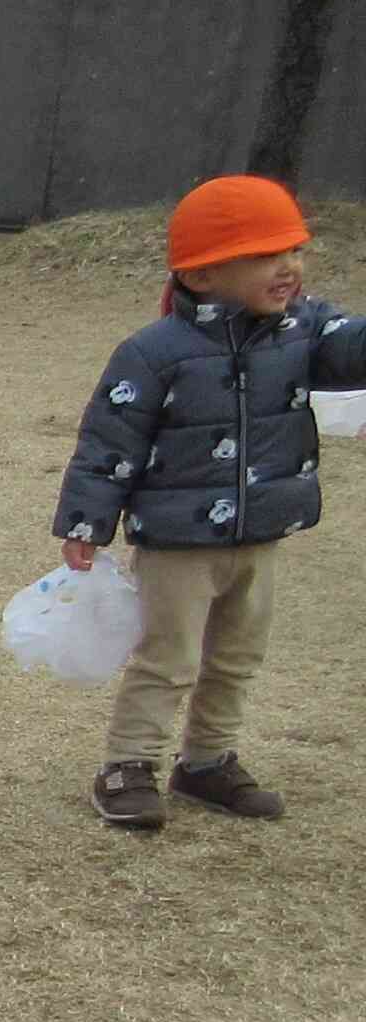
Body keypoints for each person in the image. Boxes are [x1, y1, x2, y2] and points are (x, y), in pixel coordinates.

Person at [54, 175, 366, 829]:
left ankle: (205, 762)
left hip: (262, 529)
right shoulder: (154, 353)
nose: (288, 268)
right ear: (200, 274)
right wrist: (87, 521)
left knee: (236, 657)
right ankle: (128, 765)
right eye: (264, 255)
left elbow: (353, 351)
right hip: (176, 542)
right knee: (169, 657)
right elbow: (110, 440)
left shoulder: (302, 329)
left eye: (295, 251)